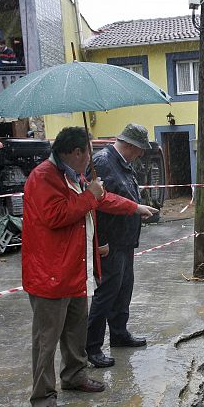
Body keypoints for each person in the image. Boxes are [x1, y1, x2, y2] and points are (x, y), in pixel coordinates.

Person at [21, 126, 156, 407]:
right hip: (49, 274)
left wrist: (134, 207)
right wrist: (90, 197)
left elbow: (103, 200)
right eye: (87, 154)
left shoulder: (74, 176)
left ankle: (74, 374)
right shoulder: (44, 177)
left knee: (74, 330)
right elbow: (55, 216)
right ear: (76, 152)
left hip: (74, 269)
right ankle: (43, 397)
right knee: (47, 338)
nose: (90, 160)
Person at [85, 123, 159, 368]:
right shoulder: (103, 162)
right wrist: (102, 241)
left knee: (123, 290)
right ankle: (92, 348)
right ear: (128, 145)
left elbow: (124, 195)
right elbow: (98, 204)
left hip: (125, 241)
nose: (140, 155)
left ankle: (119, 333)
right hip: (111, 242)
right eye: (139, 150)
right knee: (106, 294)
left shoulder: (123, 163)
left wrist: (139, 210)